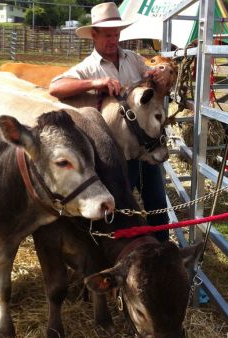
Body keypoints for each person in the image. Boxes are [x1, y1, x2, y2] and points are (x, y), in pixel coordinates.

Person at [49, 2, 169, 241]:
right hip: (114, 155)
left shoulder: (133, 59)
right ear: (93, 35)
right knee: (121, 205)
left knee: (157, 204)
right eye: (107, 35)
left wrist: (161, 71)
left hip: (145, 146)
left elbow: (156, 75)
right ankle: (124, 253)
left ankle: (163, 247)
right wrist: (96, 83)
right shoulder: (88, 68)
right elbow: (55, 87)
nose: (113, 40)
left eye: (116, 34)